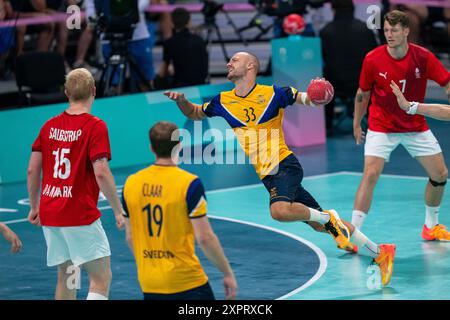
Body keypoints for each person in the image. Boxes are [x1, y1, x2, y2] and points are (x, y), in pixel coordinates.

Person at [164, 51, 396, 286]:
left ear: (251, 65)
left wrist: (319, 95)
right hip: (267, 175)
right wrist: (181, 101)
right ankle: (380, 252)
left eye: (235, 60)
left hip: (283, 165)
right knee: (318, 225)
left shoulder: (274, 93)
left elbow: (307, 99)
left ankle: (329, 217)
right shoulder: (222, 101)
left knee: (279, 211)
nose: (228, 63)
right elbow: (194, 113)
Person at [27, 68, 126, 300]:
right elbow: (101, 172)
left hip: (52, 213)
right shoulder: (95, 125)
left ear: (66, 92)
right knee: (100, 279)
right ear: (94, 90)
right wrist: (118, 211)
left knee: (68, 275)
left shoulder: (49, 125)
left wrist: (34, 206)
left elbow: (33, 169)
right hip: (78, 213)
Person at [351, 10, 450, 241]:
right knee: (371, 173)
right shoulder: (372, 58)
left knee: (440, 175)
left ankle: (431, 226)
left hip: (414, 125)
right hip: (381, 125)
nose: (389, 34)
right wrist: (357, 123)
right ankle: (353, 233)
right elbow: (362, 93)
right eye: (386, 30)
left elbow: (446, 81)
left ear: (406, 31)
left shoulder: (423, 57)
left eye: (394, 30)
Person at [122, 121, 237, 300]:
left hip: (150, 283)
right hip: (187, 282)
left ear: (151, 148)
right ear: (179, 146)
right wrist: (227, 272)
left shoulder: (131, 183)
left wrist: (149, 266)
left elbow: (130, 237)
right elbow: (205, 238)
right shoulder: (189, 184)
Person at [319, 0, 378, 135]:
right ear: (353, 9)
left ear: (333, 10)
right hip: (364, 84)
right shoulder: (365, 29)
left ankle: (327, 124)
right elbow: (375, 58)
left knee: (324, 77)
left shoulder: (325, 32)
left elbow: (324, 58)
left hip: (336, 85)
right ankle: (374, 120)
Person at [158, 7, 208, 88]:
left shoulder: (170, 43)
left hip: (181, 87)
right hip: (200, 85)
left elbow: (163, 72)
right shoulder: (199, 40)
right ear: (189, 22)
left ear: (172, 23)